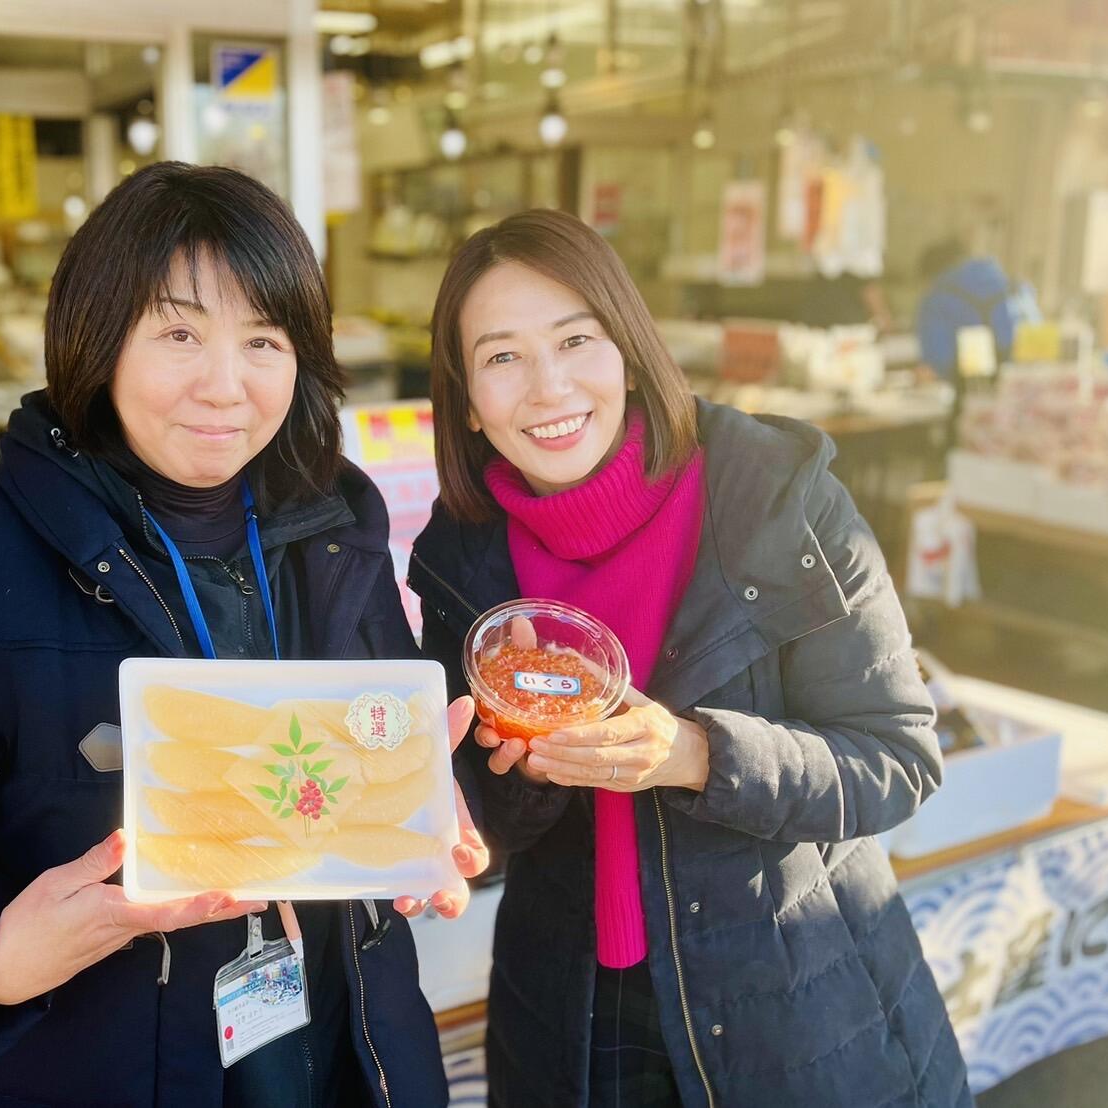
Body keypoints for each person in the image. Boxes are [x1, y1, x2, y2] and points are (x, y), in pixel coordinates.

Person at [0, 163, 487, 1107]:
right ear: (100, 340)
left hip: (340, 1040)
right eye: (179, 332)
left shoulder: (336, 523)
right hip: (90, 1057)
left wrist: (419, 799)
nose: (226, 385)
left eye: (265, 339)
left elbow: (382, 736)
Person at [410, 209, 972, 1108]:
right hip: (569, 1017)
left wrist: (697, 755)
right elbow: (488, 816)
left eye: (575, 340)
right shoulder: (462, 557)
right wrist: (511, 783)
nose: (549, 389)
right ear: (468, 401)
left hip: (790, 1003)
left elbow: (897, 760)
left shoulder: (774, 498)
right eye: (503, 357)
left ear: (627, 349)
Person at [914, 237, 1040, 381]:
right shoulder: (1017, 288)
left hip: (974, 388)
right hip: (1029, 384)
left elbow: (937, 361)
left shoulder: (935, 299)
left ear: (930, 276)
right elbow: (1039, 343)